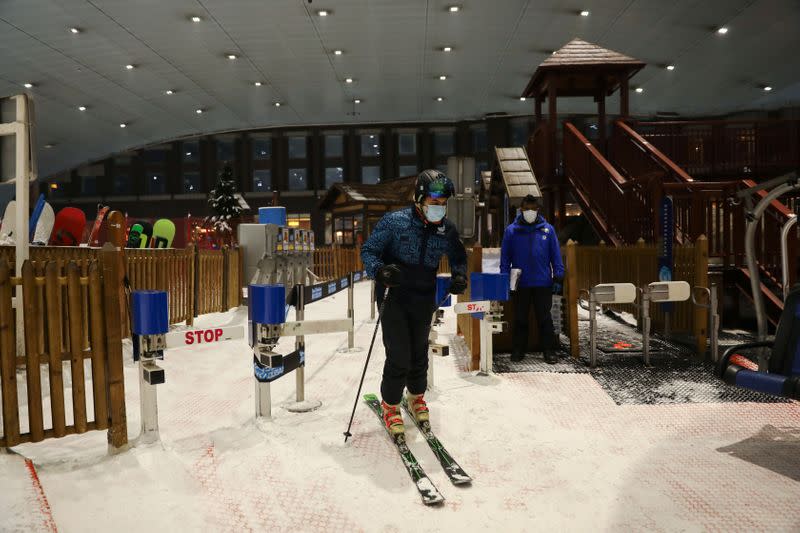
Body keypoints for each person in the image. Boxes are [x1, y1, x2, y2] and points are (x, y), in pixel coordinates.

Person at [361, 170, 468, 435]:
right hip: (394, 293)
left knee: (419, 351)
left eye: (443, 204)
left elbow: (458, 255)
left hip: (424, 294)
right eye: (434, 203)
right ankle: (390, 404)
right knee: (399, 354)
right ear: (419, 199)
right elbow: (369, 251)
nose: (439, 209)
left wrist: (459, 275)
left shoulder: (446, 229)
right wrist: (380, 271)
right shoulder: (394, 222)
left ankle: (416, 396)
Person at [500, 194, 565, 364]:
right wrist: (504, 280)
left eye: (532, 209)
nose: (529, 212)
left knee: (545, 319)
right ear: (521, 210)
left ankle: (549, 351)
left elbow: (555, 255)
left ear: (538, 210)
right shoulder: (511, 231)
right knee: (520, 319)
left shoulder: (548, 230)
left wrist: (558, 276)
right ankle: (518, 350)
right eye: (526, 209)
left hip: (543, 282)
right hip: (520, 284)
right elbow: (505, 259)